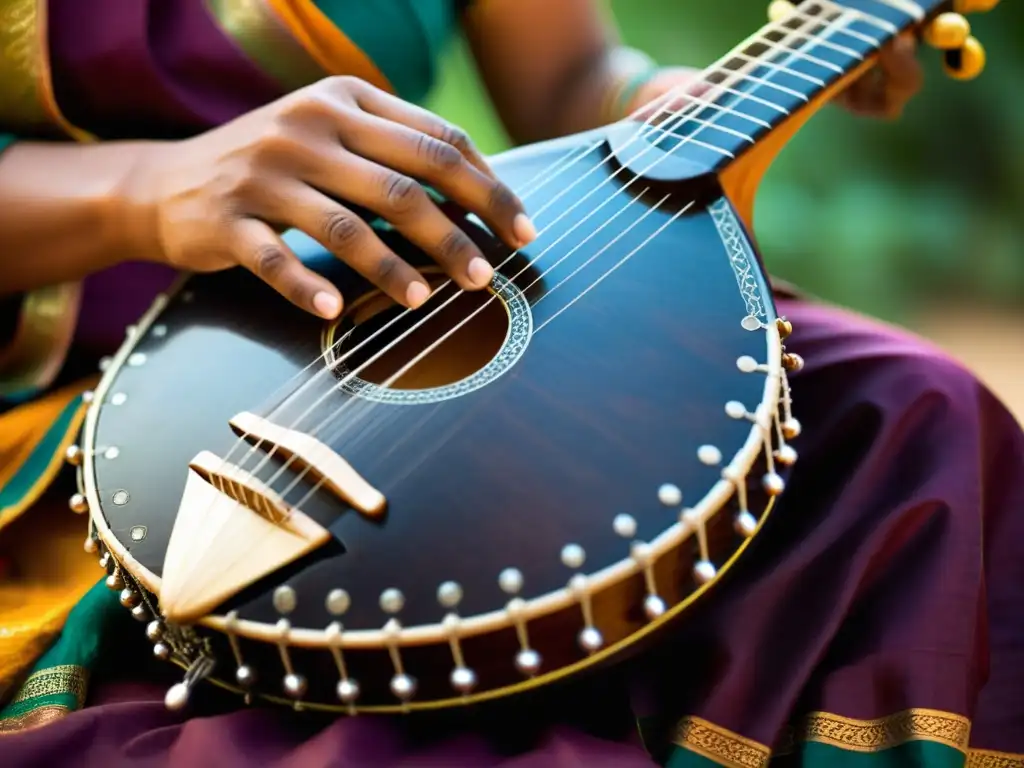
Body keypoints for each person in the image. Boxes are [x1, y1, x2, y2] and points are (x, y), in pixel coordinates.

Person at [0, 0, 1021, 765]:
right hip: (92, 396)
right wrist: (149, 189)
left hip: (442, 292)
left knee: (905, 411)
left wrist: (663, 103)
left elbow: (574, 79)